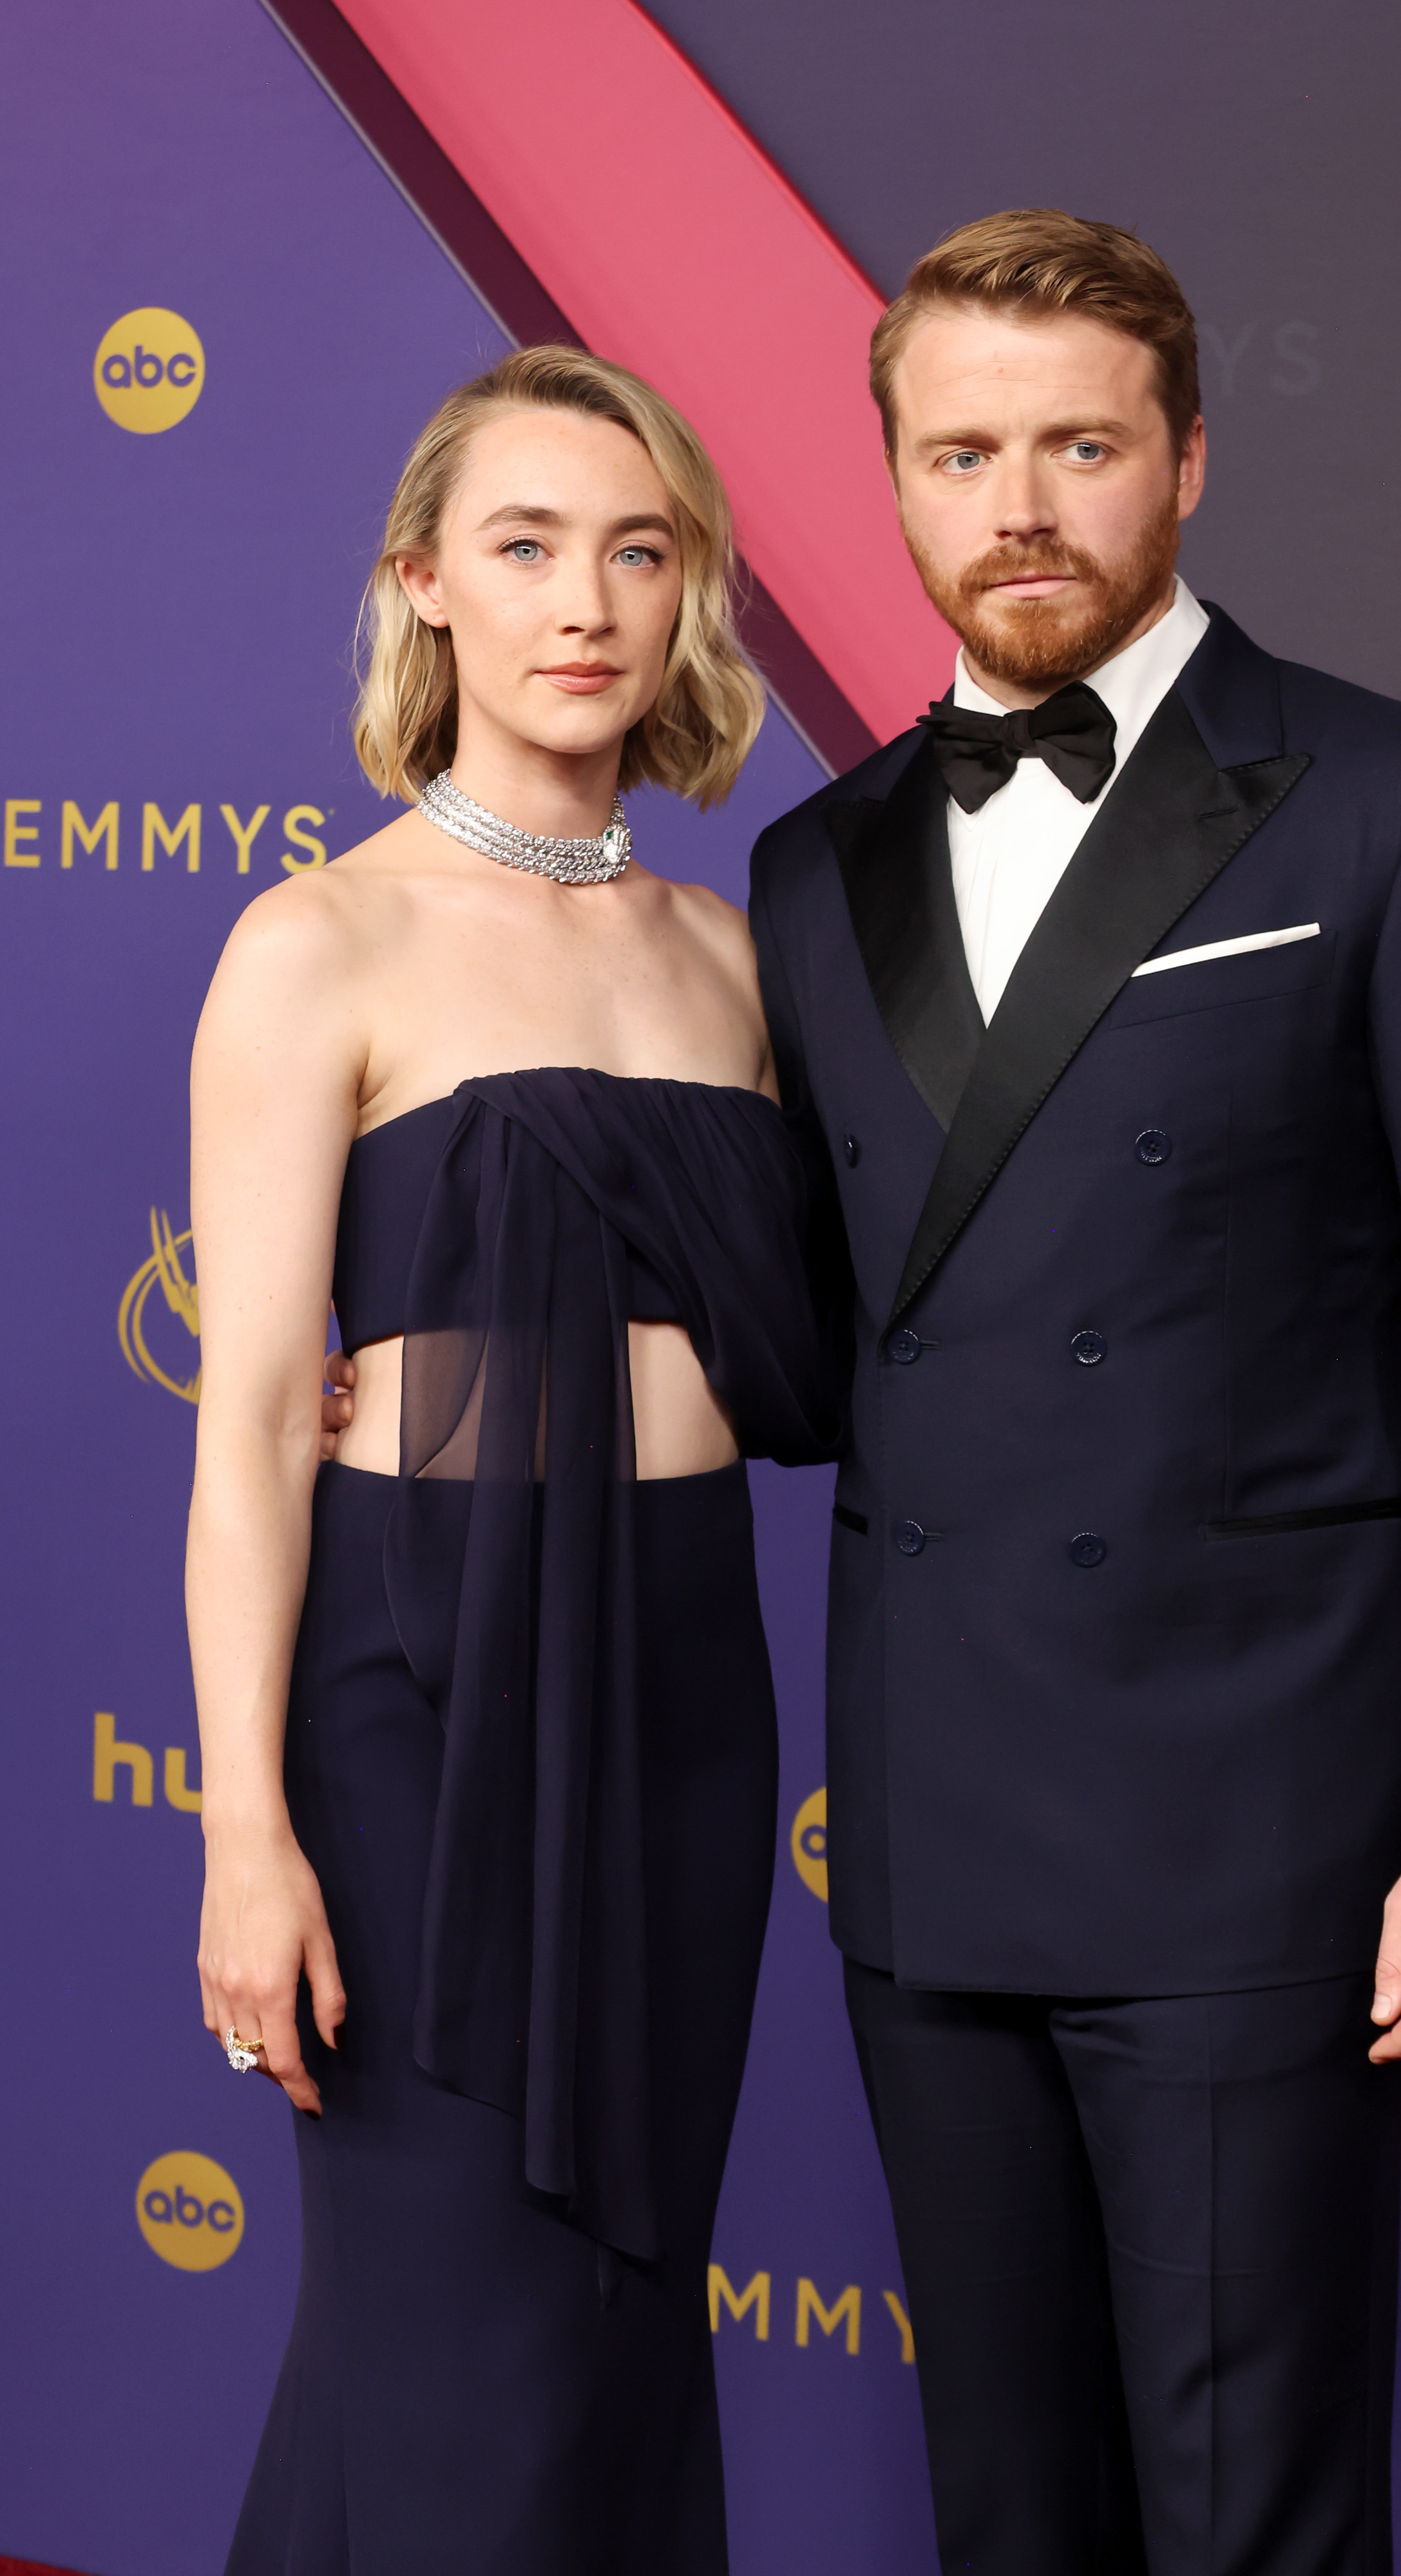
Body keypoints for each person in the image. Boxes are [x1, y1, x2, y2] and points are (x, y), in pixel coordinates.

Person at [745, 212, 1401, 2575]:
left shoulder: (1396, 805)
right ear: (898, 483)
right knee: (1007, 2513)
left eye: (1076, 447)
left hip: (1265, 1830)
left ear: (1188, 460)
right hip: (931, 1838)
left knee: (1255, 2522)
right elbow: (821, 1336)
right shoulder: (808, 867)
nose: (1015, 502)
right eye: (960, 452)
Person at [188, 344, 832, 2576]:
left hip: (682, 1691)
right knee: (452, 2335)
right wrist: (244, 1833)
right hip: (423, 1694)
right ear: (425, 591)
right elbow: (263, 1419)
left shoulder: (730, 962)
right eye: (528, 545)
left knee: (619, 2331)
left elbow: (800, 1355)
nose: (587, 599)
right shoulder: (318, 940)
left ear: (686, 602)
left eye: (637, 551)